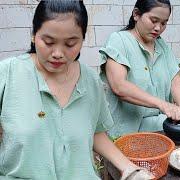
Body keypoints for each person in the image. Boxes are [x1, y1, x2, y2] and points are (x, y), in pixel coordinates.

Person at [0, 1, 153, 179]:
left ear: (82, 39)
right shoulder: (9, 74)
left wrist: (129, 168)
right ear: (34, 35)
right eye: (48, 42)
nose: (58, 53)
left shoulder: (90, 81)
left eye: (70, 44)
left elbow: (96, 132)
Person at [99, 0, 180, 138]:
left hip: (158, 120)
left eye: (163, 23)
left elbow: (175, 81)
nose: (158, 28)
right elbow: (119, 86)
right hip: (129, 126)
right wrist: (164, 105)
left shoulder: (161, 45)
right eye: (154, 20)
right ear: (136, 14)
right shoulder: (119, 41)